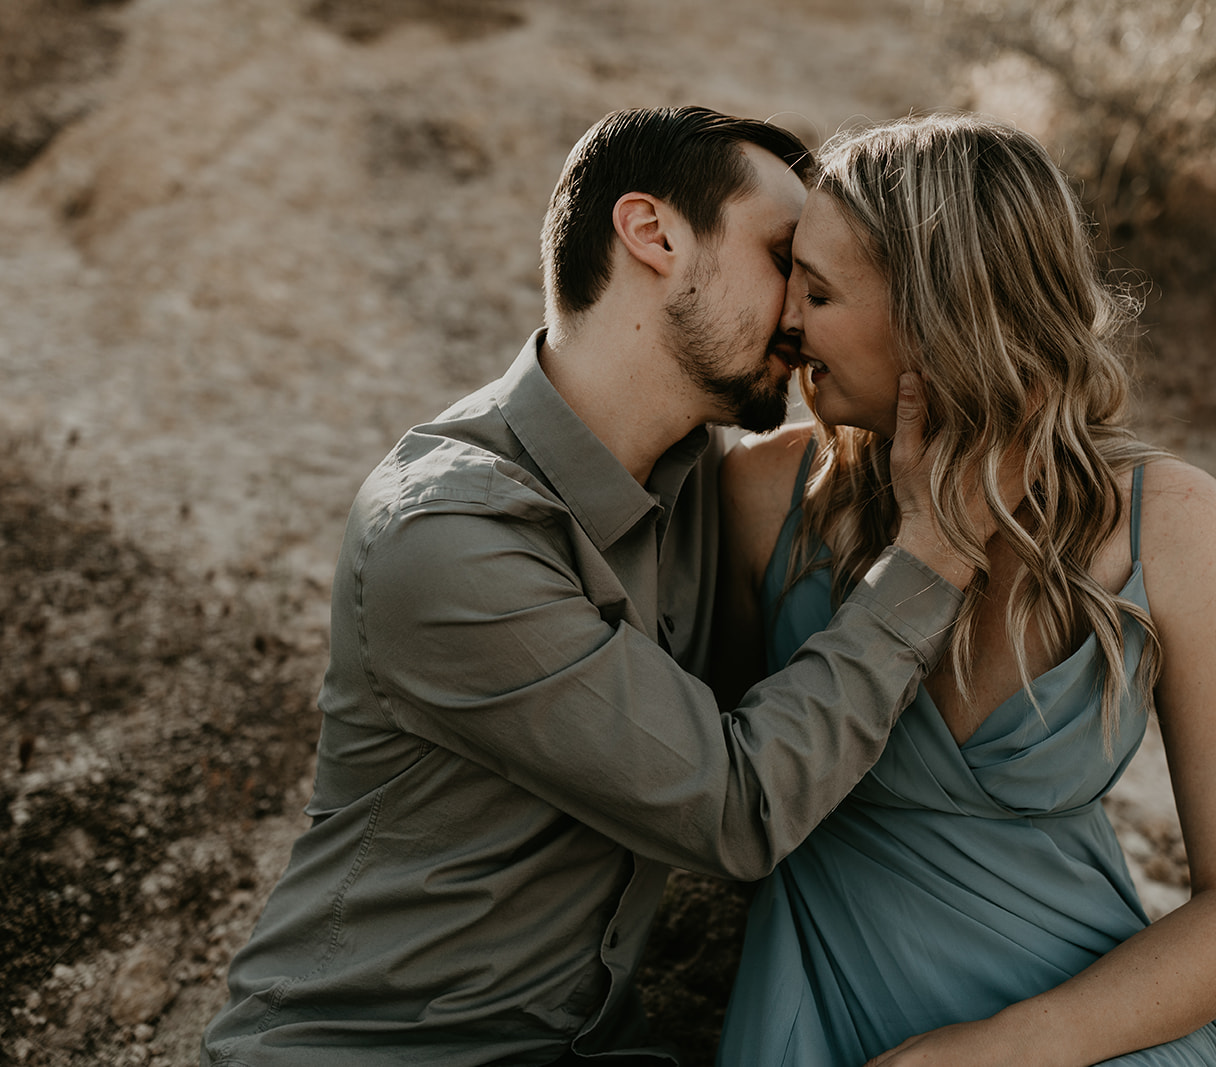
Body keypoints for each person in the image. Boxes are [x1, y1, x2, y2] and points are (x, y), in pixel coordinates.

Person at [201, 106, 1009, 1067]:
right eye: (782, 255)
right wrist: (926, 565)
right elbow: (735, 806)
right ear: (652, 233)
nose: (801, 311)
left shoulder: (708, 486)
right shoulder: (449, 533)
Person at [712, 113, 1216, 1066]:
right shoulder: (763, 497)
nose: (785, 319)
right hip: (822, 1009)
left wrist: (1014, 1048)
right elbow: (715, 787)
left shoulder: (1174, 526)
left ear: (938, 315)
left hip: (1096, 1030)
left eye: (817, 292)